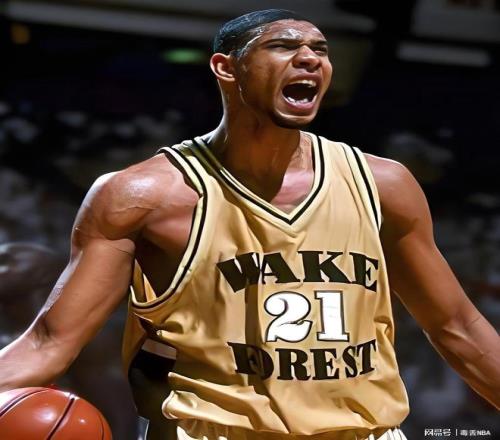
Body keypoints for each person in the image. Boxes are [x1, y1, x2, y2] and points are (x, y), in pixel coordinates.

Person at [0, 9, 498, 440]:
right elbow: (49, 342)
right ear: (226, 67)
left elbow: (458, 327)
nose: (310, 58)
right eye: (284, 46)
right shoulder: (144, 195)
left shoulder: (384, 185)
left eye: (320, 49)